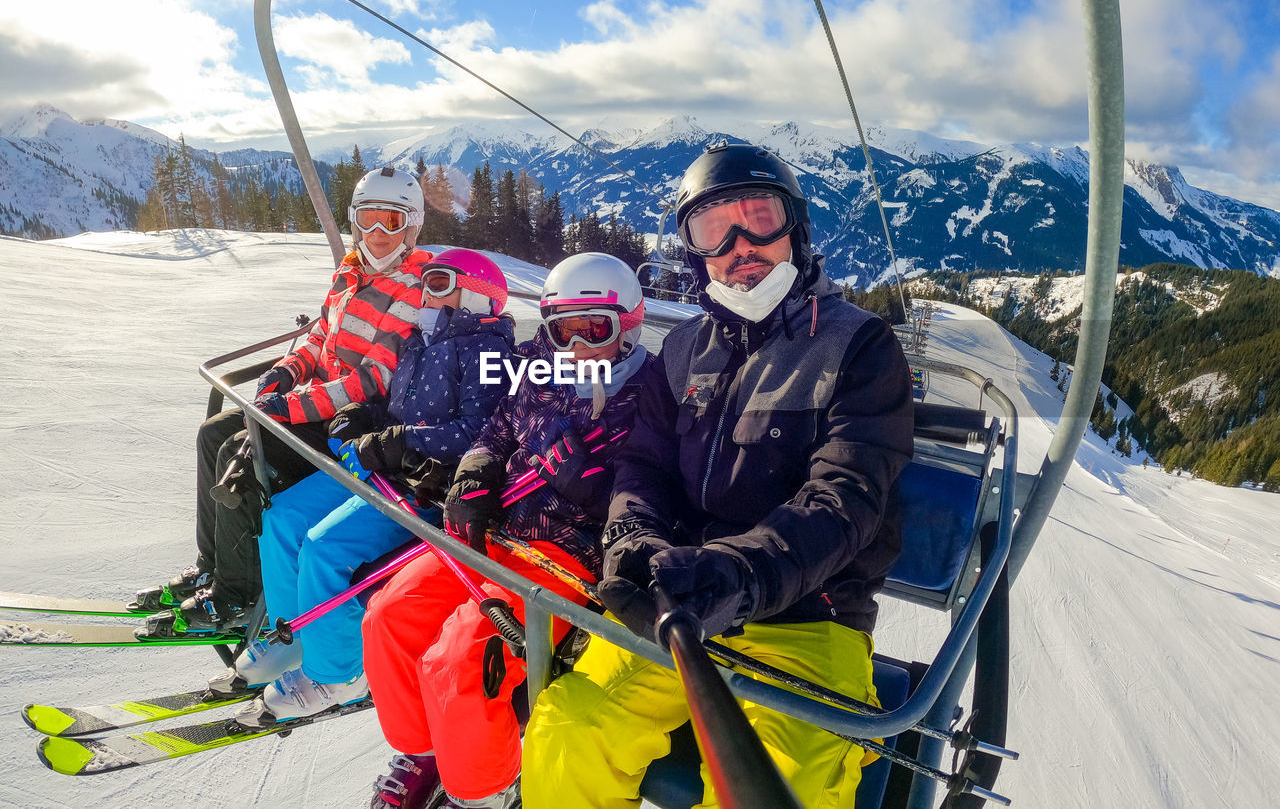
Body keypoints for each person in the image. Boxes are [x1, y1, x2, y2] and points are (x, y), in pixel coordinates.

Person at [522, 143, 915, 808]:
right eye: (713, 230)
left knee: (779, 783)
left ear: (793, 227)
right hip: (681, 606)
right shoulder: (680, 352)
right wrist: (632, 540)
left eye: (757, 218)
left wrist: (740, 573)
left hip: (807, 617)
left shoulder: (860, 347)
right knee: (568, 730)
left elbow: (845, 497)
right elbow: (641, 468)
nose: (740, 244)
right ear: (694, 250)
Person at [363, 253, 655, 809]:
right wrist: (475, 470)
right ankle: (428, 754)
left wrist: (594, 492)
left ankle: (485, 789)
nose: (576, 347)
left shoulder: (652, 396)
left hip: (566, 554)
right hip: (498, 535)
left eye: (595, 329)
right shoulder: (535, 367)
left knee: (463, 659)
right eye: (561, 329)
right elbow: (496, 430)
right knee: (389, 616)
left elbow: (662, 490)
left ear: (629, 326)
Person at [199, 250, 514, 725]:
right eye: (426, 281)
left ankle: (337, 674)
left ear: (477, 295)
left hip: (425, 482)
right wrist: (363, 419)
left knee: (326, 547)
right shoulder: (420, 341)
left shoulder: (490, 353)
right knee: (282, 516)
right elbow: (393, 405)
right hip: (383, 467)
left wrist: (395, 442)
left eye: (441, 282)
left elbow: (479, 431)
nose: (428, 292)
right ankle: (294, 637)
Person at [136, 167, 431, 635]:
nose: (377, 234)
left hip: (354, 422)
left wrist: (291, 406)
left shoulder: (416, 290)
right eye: (368, 219)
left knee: (245, 453)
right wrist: (288, 368)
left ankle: (235, 595)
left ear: (412, 226)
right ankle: (212, 565)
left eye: (390, 223)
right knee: (214, 434)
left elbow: (374, 378)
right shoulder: (350, 271)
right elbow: (321, 334)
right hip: (316, 405)